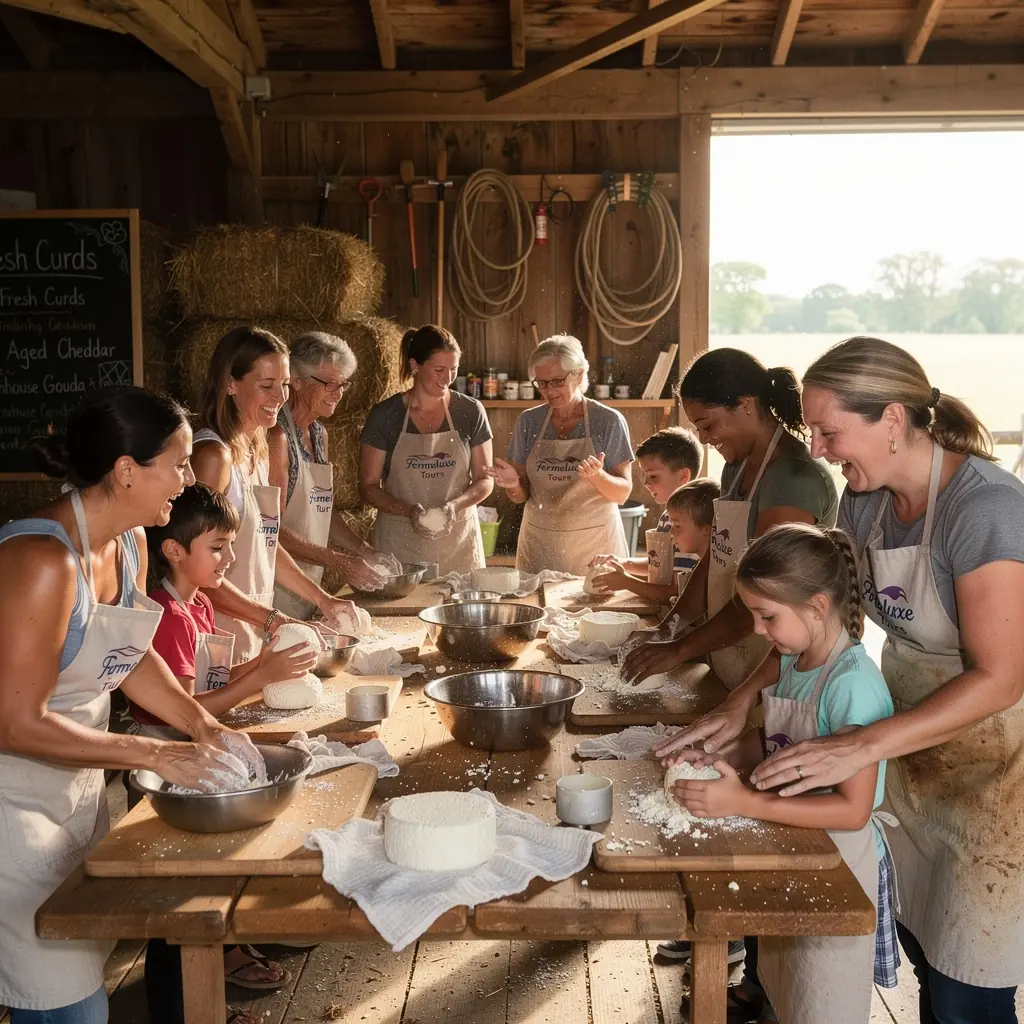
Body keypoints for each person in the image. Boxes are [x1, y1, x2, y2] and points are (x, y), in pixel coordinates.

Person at [734, 337, 1024, 1024]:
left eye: (830, 432)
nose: (823, 450)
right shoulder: (866, 502)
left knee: (969, 984)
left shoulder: (983, 510)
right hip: (914, 755)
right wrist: (739, 700)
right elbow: (824, 621)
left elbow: (1003, 676)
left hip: (1001, 770)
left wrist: (862, 745)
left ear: (892, 420)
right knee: (926, 952)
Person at [0, 387, 259, 1024]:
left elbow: (128, 654)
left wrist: (205, 725)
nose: (190, 477)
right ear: (124, 470)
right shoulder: (39, 561)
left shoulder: (130, 544)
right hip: (11, 807)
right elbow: (14, 722)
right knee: (66, 1006)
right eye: (175, 463)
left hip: (78, 792)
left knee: (82, 975)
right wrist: (151, 751)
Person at [668, 523, 895, 1024]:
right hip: (798, 851)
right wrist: (730, 759)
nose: (757, 630)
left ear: (817, 607)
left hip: (840, 868)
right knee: (787, 986)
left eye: (766, 616)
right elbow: (778, 740)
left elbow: (854, 810)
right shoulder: (796, 659)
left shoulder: (852, 685)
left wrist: (745, 802)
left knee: (824, 1003)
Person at [621, 348, 838, 692]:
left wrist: (680, 648)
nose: (704, 439)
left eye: (707, 425)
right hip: (730, 648)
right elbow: (718, 557)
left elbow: (766, 589)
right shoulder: (737, 467)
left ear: (746, 404)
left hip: (776, 660)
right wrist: (670, 626)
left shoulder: (793, 480)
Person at [191, 326, 359, 662]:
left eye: (284, 385)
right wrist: (276, 619)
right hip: (216, 632)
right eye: (266, 386)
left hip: (254, 625)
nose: (280, 397)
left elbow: (266, 544)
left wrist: (324, 599)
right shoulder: (213, 456)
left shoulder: (260, 447)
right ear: (230, 384)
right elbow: (195, 572)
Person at [127, 483, 318, 742]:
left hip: (199, 735)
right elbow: (186, 712)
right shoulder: (170, 619)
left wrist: (265, 663)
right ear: (174, 550)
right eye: (217, 548)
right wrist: (260, 677)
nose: (230, 558)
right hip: (166, 742)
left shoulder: (202, 604)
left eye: (231, 545)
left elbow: (216, 677)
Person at [267, 331, 391, 619]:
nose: (339, 393)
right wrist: (338, 561)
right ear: (296, 381)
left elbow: (321, 510)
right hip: (277, 587)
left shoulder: (319, 434)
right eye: (329, 384)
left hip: (312, 583)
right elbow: (272, 531)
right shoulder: (278, 438)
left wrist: (364, 551)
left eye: (343, 384)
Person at [489, 335, 634, 575]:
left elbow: (622, 494)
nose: (549, 391)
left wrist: (597, 476)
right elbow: (520, 496)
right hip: (540, 544)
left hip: (594, 545)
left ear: (578, 375)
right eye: (541, 383)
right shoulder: (529, 422)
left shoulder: (608, 421)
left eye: (557, 381)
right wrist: (513, 483)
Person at [359, 325, 493, 574]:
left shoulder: (470, 411)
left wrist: (454, 506)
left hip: (458, 546)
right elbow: (368, 486)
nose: (448, 378)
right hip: (400, 546)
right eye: (439, 370)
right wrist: (409, 511)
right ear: (415, 365)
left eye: (453, 369)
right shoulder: (386, 416)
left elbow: (485, 479)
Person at [589, 427, 703, 603]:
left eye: (653, 476)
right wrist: (622, 562)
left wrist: (627, 582)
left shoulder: (689, 525)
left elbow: (675, 592)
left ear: (683, 476)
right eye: (644, 475)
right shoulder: (668, 517)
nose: (646, 483)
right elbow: (659, 563)